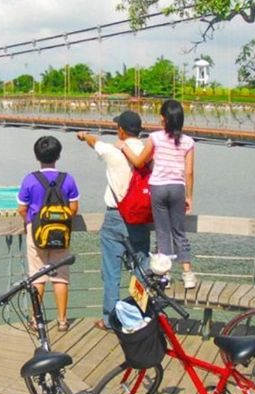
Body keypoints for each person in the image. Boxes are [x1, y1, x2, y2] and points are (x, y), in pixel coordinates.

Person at [77, 110, 151, 331]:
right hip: (140, 217)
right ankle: (139, 316)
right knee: (140, 269)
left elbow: (94, 142)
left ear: (121, 130)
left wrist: (83, 136)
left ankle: (110, 319)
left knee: (111, 272)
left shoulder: (113, 150)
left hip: (115, 216)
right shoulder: (148, 152)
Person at [118, 99, 196, 288]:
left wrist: (124, 147)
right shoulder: (188, 142)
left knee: (162, 232)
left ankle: (165, 275)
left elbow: (139, 162)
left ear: (163, 118)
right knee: (179, 231)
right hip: (177, 188)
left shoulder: (155, 138)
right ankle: (187, 275)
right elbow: (189, 172)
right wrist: (189, 196)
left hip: (158, 188)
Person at [17, 135, 80, 332]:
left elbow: (21, 209)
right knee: (60, 277)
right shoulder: (67, 179)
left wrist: (31, 222)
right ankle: (62, 320)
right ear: (58, 155)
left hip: (36, 233)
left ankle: (36, 321)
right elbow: (74, 208)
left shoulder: (30, 179)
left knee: (37, 276)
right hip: (62, 235)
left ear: (37, 156)